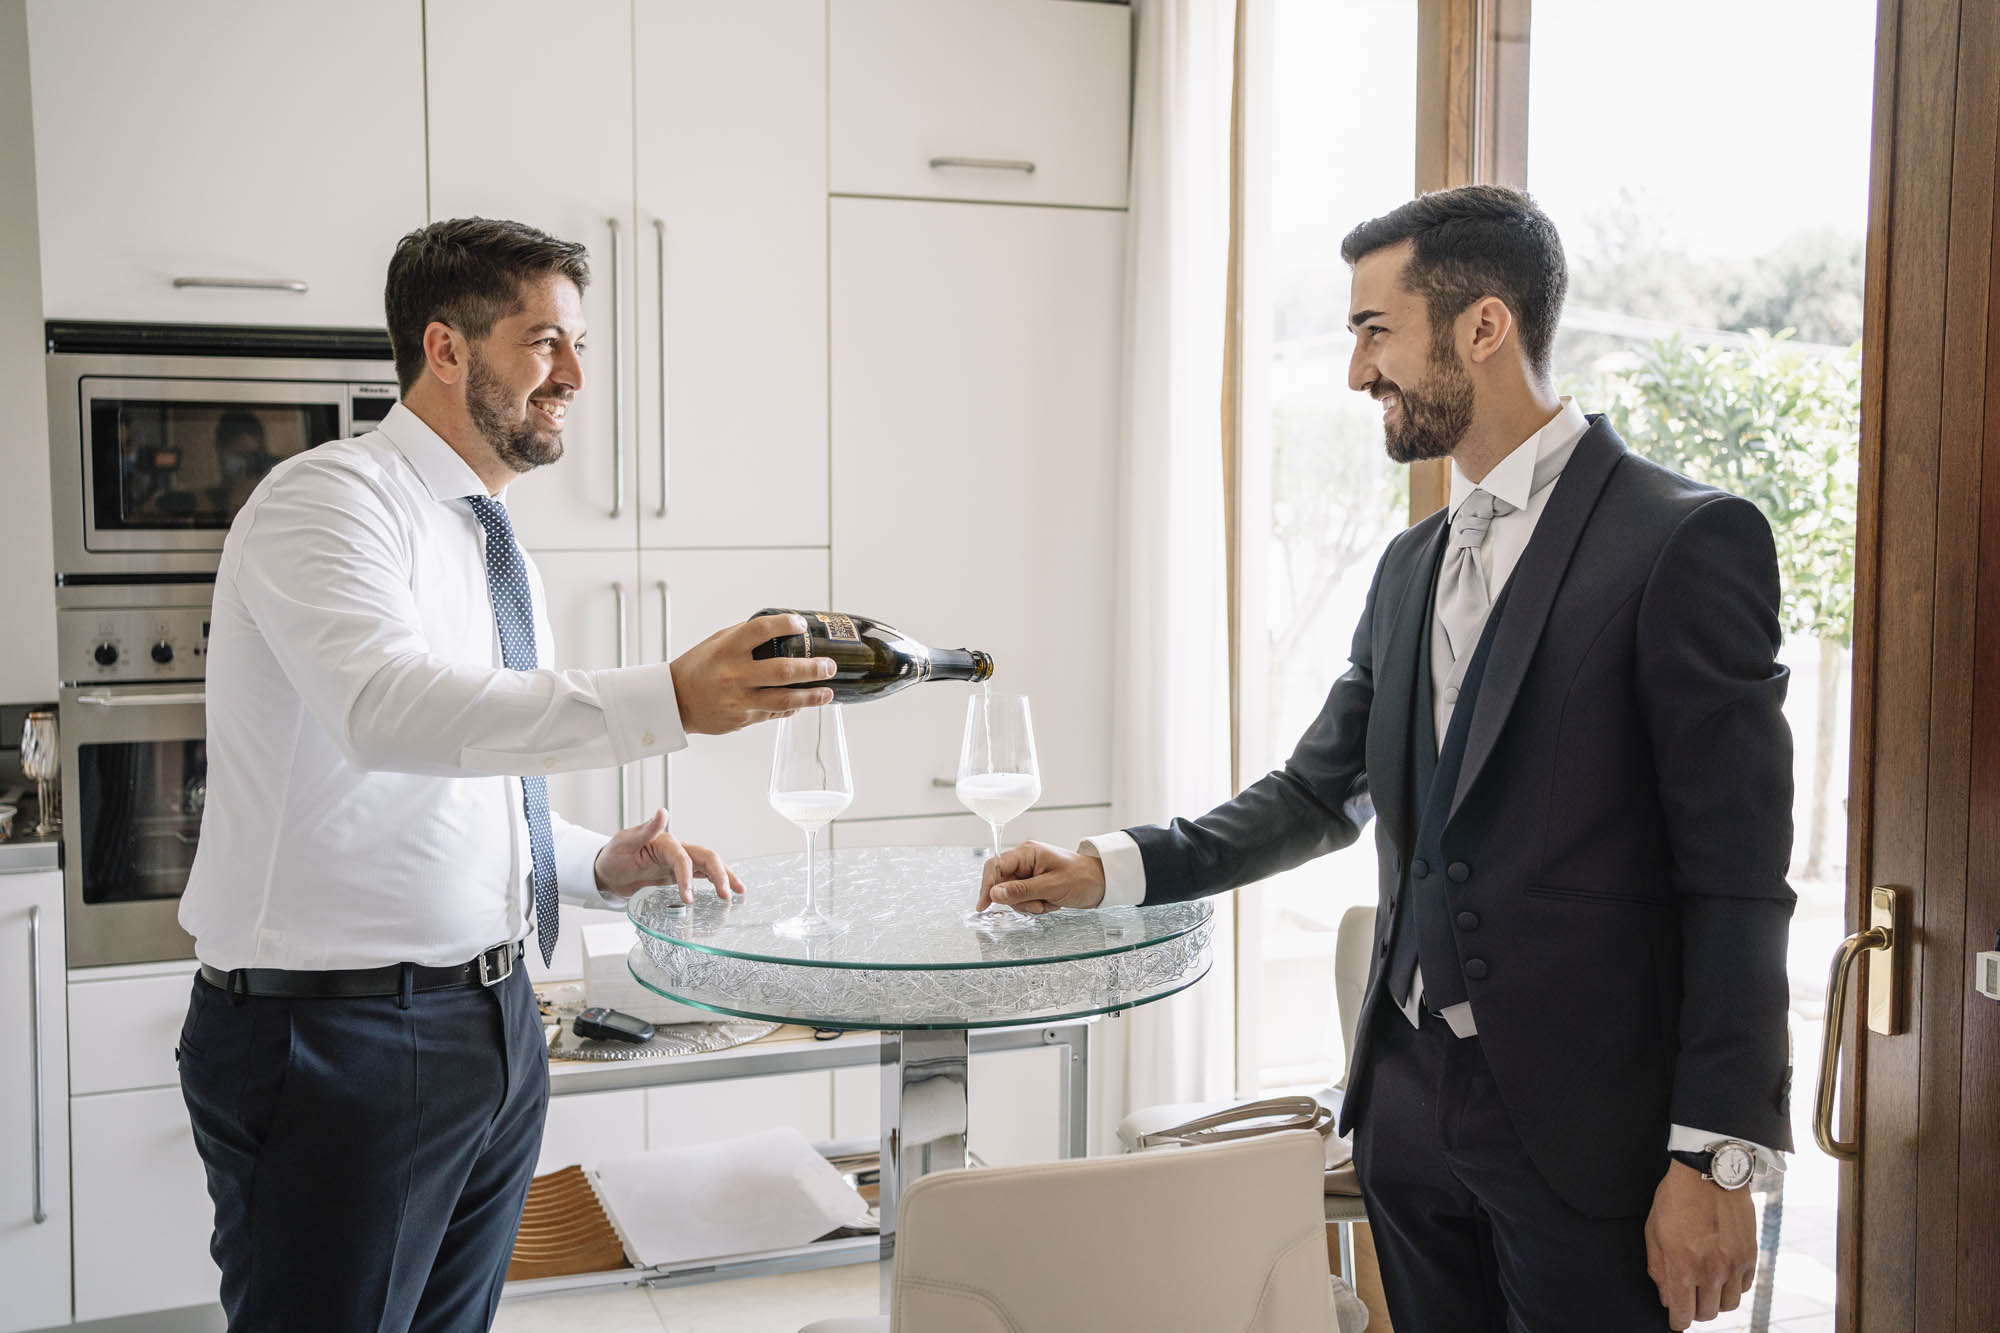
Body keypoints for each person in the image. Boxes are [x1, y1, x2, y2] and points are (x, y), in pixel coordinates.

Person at [980, 186, 1795, 1332]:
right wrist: (1108, 865)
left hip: (1587, 1133)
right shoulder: (1410, 566)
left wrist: (1714, 1158)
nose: (1356, 373)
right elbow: (1319, 792)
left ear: (1481, 328)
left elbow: (1737, 876)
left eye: (1373, 331)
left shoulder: (1682, 540)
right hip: (1408, 1112)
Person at [175, 216, 837, 1333]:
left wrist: (591, 861)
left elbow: (450, 779)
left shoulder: (490, 538)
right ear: (445, 349)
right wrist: (665, 699)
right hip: (335, 1041)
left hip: (489, 1021)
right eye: (542, 343)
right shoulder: (326, 503)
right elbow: (389, 715)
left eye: (577, 344)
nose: (574, 375)